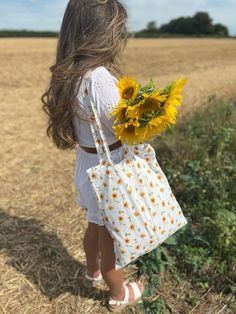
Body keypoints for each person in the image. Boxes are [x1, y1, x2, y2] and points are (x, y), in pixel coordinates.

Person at [41, 0, 144, 311]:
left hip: (87, 164)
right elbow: (122, 127)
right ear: (103, 35)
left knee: (94, 224)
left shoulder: (71, 74)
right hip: (107, 167)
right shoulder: (99, 79)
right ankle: (117, 293)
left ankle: (92, 271)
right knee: (110, 236)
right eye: (118, 32)